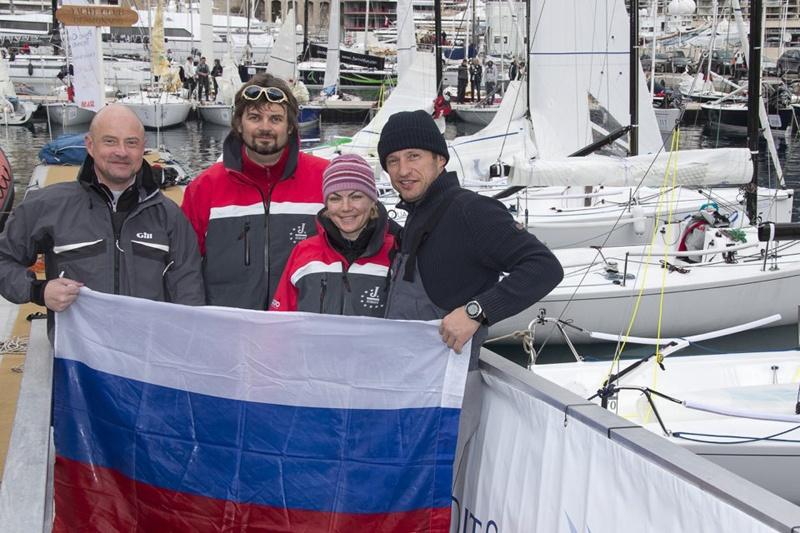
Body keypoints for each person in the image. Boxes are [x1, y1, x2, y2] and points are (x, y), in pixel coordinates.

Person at [377, 110, 563, 486]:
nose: (402, 170)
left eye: (414, 156)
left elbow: (544, 267)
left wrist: (478, 311)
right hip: (409, 390)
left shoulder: (469, 210)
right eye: (393, 161)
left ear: (439, 160)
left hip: (446, 395)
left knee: (429, 504)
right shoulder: (416, 215)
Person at [0, 104, 205, 321]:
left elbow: (188, 292)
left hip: (146, 349)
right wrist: (38, 291)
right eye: (110, 141)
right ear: (90, 145)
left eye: (131, 143)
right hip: (78, 351)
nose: (121, 152)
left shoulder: (169, 216)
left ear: (143, 147)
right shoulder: (49, 205)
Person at [181, 73, 329, 309]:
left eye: (275, 119)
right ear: (239, 124)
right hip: (229, 329)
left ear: (290, 126)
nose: (265, 127)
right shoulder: (205, 188)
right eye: (254, 117)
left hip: (301, 328)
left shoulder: (324, 180)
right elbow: (184, 267)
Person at [269, 154, 395, 316]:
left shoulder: (396, 253)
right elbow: (279, 321)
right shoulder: (304, 252)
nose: (346, 207)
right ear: (326, 204)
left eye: (356, 196)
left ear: (372, 201)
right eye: (335, 199)